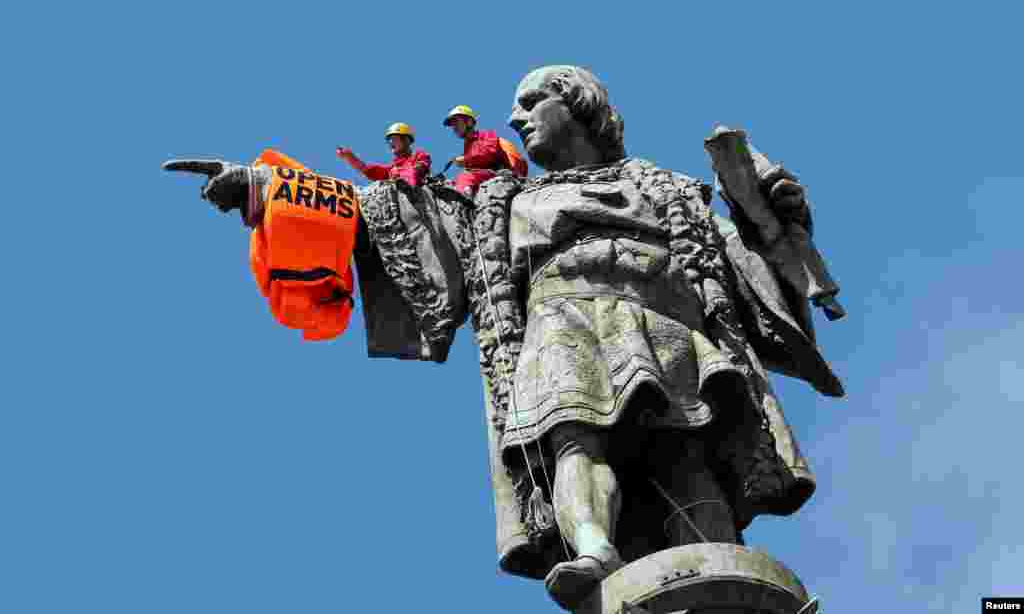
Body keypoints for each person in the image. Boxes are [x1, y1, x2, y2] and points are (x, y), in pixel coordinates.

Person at [174, 66, 843, 612]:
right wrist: (264, 185)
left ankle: (715, 554)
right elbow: (391, 214)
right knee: (574, 439)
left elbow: (747, 269)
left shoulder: (665, 187)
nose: (516, 118)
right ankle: (593, 549)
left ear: (577, 104)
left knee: (683, 446)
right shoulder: (502, 202)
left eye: (531, 102)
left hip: (667, 322)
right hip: (563, 327)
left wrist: (774, 219)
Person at [336, 122, 431, 187]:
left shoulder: (419, 155)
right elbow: (367, 170)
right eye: (389, 140)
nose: (390, 143)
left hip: (418, 195)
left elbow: (420, 167)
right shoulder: (391, 169)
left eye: (394, 139)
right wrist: (350, 157)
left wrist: (404, 178)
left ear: (406, 140)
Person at [443, 105, 506, 195]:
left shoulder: (487, 135)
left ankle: (462, 199)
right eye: (452, 125)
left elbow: (487, 154)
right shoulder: (468, 145)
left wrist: (465, 159)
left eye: (456, 122)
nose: (454, 127)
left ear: (469, 122)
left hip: (495, 173)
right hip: (479, 177)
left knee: (464, 178)